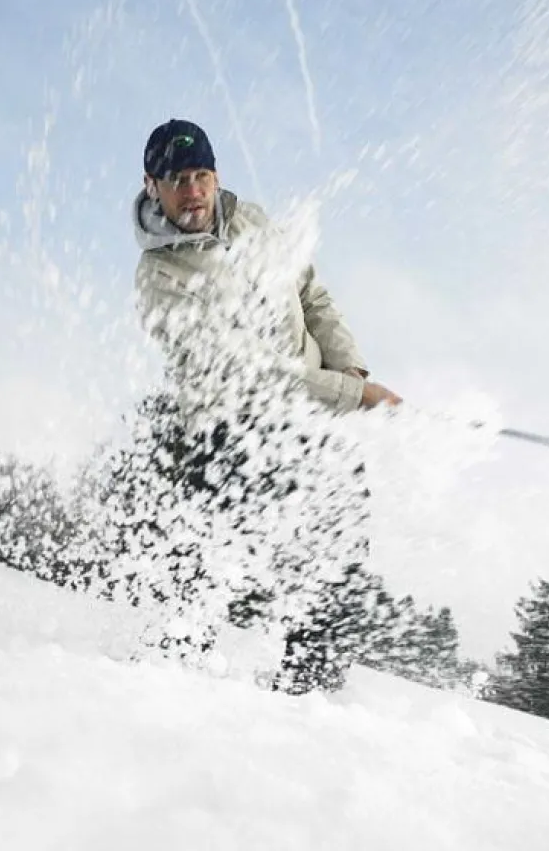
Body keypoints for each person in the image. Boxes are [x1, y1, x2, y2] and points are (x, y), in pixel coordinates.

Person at [131, 117, 402, 693]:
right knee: (209, 559)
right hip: (228, 430)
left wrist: (348, 364)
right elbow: (244, 373)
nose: (195, 191)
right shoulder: (159, 277)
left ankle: (309, 684)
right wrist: (353, 395)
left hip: (308, 416)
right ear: (153, 185)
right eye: (179, 179)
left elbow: (309, 291)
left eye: (203, 175)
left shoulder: (250, 219)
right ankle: (167, 677)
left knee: (337, 538)